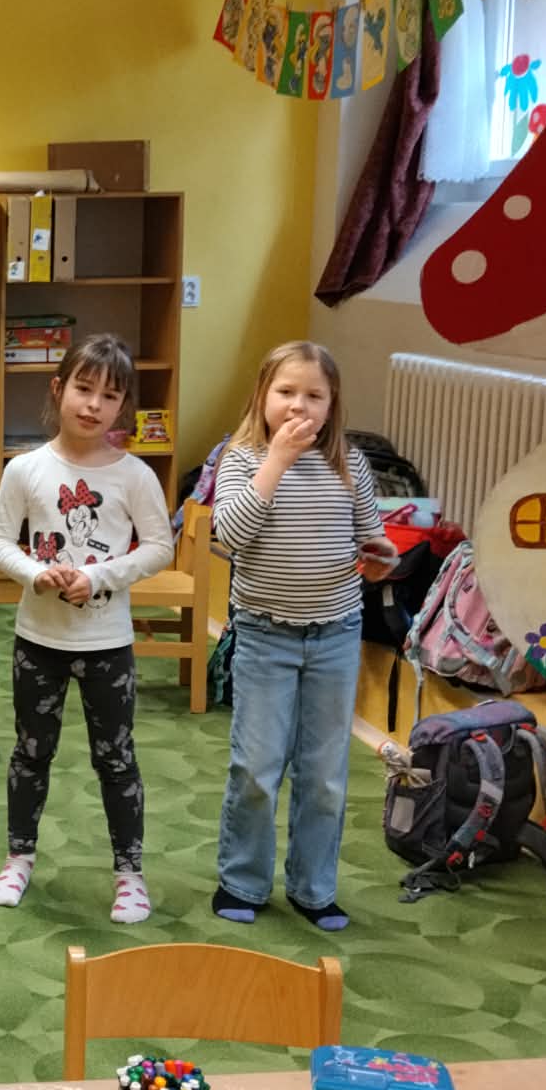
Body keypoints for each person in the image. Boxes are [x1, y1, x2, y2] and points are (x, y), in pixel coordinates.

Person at [0, 335, 174, 921]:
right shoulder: (25, 468)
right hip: (38, 641)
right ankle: (19, 858)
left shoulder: (135, 475)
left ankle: (129, 874)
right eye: (84, 389)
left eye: (109, 396)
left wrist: (99, 577)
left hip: (107, 645)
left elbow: (160, 547)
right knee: (30, 753)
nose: (93, 405)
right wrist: (36, 574)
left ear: (123, 406)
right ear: (58, 388)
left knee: (116, 759)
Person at [211, 340, 397, 932]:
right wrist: (276, 462)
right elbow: (228, 538)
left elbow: (372, 537)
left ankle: (314, 888)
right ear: (262, 396)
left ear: (332, 403)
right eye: (286, 392)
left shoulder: (350, 464)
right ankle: (242, 880)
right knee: (256, 768)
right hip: (265, 635)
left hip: (336, 635)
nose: (299, 406)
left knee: (324, 775)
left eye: (314, 395)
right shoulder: (242, 459)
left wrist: (382, 558)